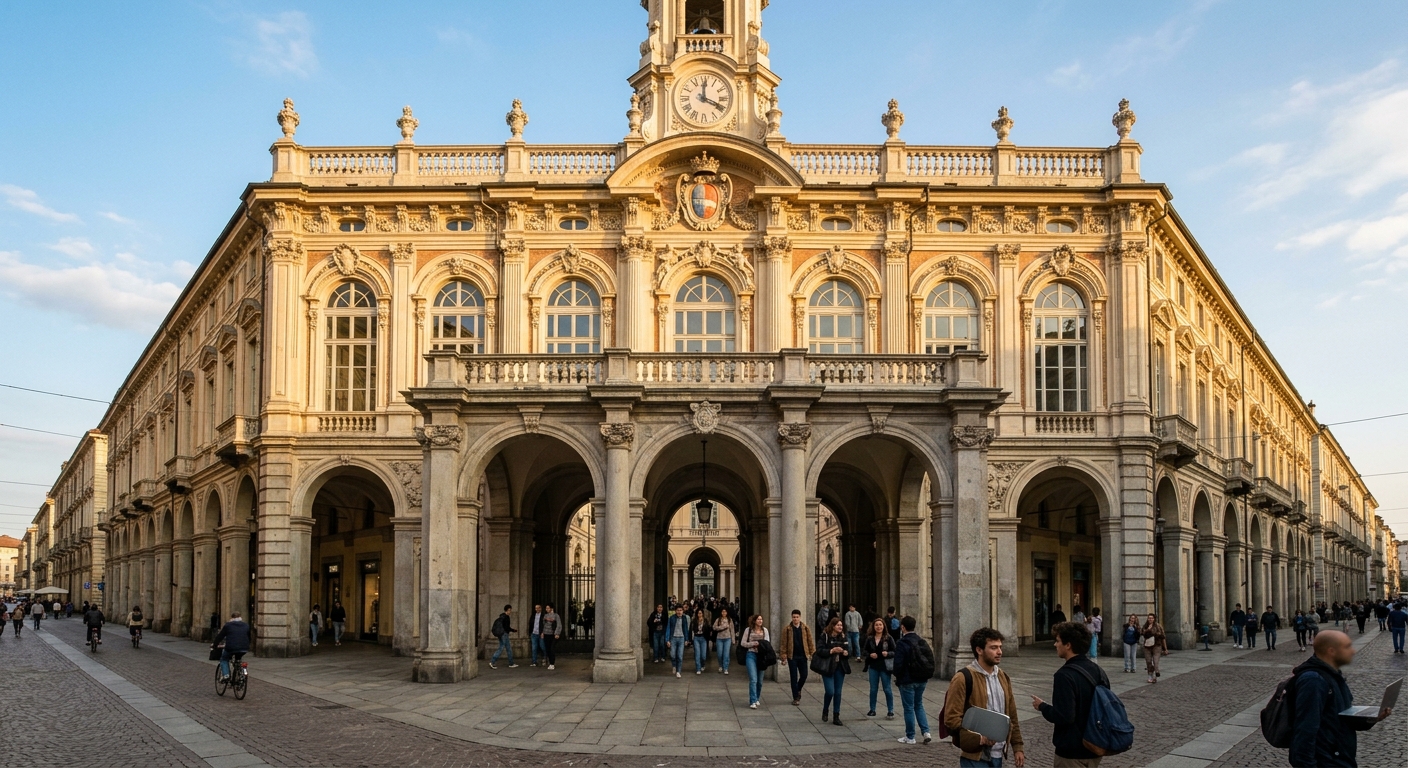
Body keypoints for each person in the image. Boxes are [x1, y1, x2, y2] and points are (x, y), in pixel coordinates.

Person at [1289, 630, 1391, 766]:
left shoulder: (1334, 675)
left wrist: (1373, 717)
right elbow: (1305, 732)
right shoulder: (1314, 680)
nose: (1353, 651)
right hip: (1328, 761)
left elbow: (1342, 718)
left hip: (1340, 759)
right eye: (1347, 647)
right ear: (1331, 651)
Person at [945, 628, 1026, 768]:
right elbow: (951, 718)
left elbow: (1011, 716)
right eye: (993, 648)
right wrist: (978, 738)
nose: (999, 652)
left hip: (998, 754)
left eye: (1000, 647)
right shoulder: (963, 678)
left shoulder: (1003, 677)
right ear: (979, 650)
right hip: (975, 756)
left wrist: (1017, 746)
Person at [1032, 621, 1109, 767]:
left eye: (1058, 641)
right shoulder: (1098, 671)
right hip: (1094, 747)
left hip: (1071, 752)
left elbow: (1064, 716)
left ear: (1068, 645)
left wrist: (1042, 706)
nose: (1055, 645)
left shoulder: (1064, 675)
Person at [893, 615, 933, 744]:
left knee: (909, 708)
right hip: (921, 679)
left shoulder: (902, 643)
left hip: (907, 679)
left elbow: (898, 664)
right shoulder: (921, 641)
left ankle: (910, 736)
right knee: (919, 705)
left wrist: (897, 676)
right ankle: (926, 731)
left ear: (903, 627)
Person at [818, 615, 851, 725]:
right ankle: (825, 709)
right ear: (833, 626)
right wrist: (831, 651)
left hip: (840, 667)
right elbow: (819, 650)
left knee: (838, 692)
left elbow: (848, 651)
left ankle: (836, 715)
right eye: (838, 625)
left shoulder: (843, 636)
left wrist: (845, 653)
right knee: (830, 691)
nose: (840, 627)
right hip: (828, 667)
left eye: (841, 625)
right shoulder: (825, 636)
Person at [778, 609, 816, 705]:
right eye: (794, 617)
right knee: (793, 677)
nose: (795, 619)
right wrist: (783, 656)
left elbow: (810, 642)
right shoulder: (787, 629)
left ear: (800, 617)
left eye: (797, 617)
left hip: (803, 656)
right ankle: (796, 697)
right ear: (792, 617)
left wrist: (813, 653)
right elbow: (783, 643)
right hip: (792, 656)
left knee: (804, 675)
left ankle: (798, 688)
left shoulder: (805, 628)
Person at [862, 616, 896, 719]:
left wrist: (888, 653)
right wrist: (869, 655)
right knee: (873, 689)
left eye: (880, 625)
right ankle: (872, 709)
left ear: (883, 626)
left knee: (887, 689)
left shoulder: (888, 638)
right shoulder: (870, 638)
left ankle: (890, 710)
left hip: (885, 667)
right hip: (873, 666)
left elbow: (895, 651)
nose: (878, 627)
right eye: (876, 625)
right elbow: (864, 651)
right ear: (873, 626)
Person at [211, 611, 252, 682]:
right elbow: (249, 637)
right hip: (244, 648)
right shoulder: (246, 625)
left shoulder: (228, 625)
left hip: (231, 647)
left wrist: (215, 645)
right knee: (238, 658)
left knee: (224, 659)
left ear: (232, 618)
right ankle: (241, 673)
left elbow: (220, 636)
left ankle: (226, 675)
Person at [739, 614, 770, 708]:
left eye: (761, 619)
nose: (760, 621)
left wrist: (760, 645)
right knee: (753, 679)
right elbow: (743, 643)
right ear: (754, 621)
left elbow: (767, 643)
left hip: (761, 656)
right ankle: (752, 700)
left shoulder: (765, 630)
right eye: (758, 619)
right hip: (751, 655)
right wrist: (753, 644)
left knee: (760, 681)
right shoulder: (748, 630)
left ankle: (757, 698)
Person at [488, 604, 518, 669]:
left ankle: (511, 663)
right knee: (501, 647)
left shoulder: (501, 617)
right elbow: (507, 627)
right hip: (504, 634)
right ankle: (492, 661)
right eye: (509, 610)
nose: (510, 612)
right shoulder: (506, 617)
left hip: (501, 634)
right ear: (507, 610)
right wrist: (513, 630)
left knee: (508, 648)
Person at [1141, 613, 1168, 684]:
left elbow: (1163, 637)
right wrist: (1148, 629)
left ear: (1154, 619)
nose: (1150, 619)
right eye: (1149, 618)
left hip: (1157, 645)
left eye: (1152, 618)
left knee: (1155, 661)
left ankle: (1156, 673)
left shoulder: (1158, 626)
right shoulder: (1145, 626)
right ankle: (1150, 676)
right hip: (1147, 646)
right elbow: (1143, 634)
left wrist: (1165, 648)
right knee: (1149, 661)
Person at [666, 604, 689, 678]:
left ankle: (678, 671)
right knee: (672, 655)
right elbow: (668, 629)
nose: (679, 612)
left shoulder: (684, 618)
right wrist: (667, 640)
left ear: (683, 611)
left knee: (680, 656)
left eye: (681, 610)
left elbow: (685, 629)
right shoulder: (672, 618)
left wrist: (686, 639)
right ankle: (674, 665)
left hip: (681, 638)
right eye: (678, 610)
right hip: (673, 638)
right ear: (675, 611)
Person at [712, 607, 734, 674]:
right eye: (722, 612)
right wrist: (722, 627)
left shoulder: (730, 620)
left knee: (726, 654)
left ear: (727, 613)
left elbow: (732, 630)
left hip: (728, 638)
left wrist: (733, 639)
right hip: (719, 638)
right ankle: (720, 665)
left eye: (725, 612)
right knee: (719, 654)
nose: (724, 613)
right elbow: (714, 627)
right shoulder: (718, 620)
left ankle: (725, 668)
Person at [540, 603, 560, 669]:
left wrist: (557, 633)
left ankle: (552, 663)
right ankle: (550, 661)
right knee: (547, 649)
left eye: (548, 608)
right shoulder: (545, 616)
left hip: (553, 634)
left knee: (552, 648)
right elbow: (543, 624)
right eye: (546, 608)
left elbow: (559, 625)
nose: (547, 609)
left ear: (551, 608)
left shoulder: (556, 616)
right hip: (546, 634)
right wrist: (542, 632)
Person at [691, 608, 710, 674]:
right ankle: (698, 668)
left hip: (703, 638)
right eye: (698, 613)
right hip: (696, 637)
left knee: (703, 655)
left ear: (702, 614)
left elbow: (708, 629)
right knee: (697, 654)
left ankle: (703, 664)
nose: (699, 614)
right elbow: (692, 629)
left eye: (701, 613)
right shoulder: (694, 621)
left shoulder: (705, 621)